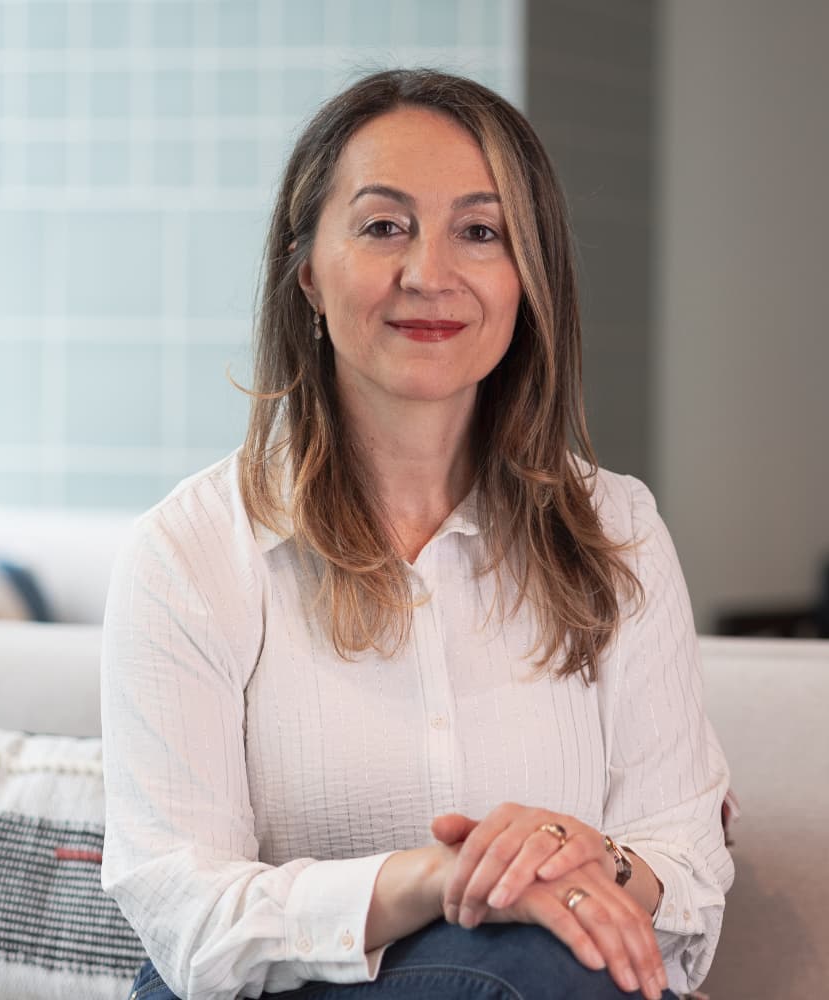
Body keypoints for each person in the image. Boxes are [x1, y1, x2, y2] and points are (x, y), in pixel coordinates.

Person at [100, 68, 733, 1000]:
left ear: (528, 278)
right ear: (307, 269)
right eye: (383, 226)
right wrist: (437, 878)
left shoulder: (617, 531)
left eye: (480, 233)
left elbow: (689, 871)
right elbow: (185, 917)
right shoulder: (188, 553)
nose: (429, 274)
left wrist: (582, 861)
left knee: (546, 962)